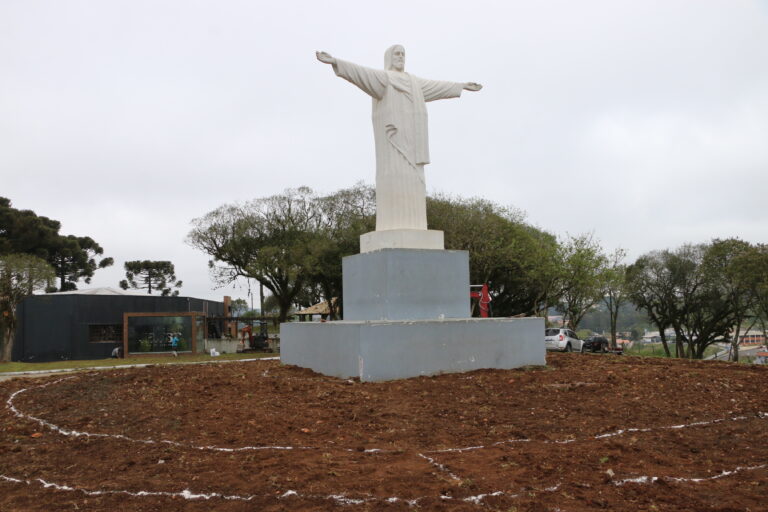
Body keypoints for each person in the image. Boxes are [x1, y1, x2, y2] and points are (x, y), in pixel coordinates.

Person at [316, 45, 481, 232]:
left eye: (403, 54)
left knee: (414, 179)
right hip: (392, 142)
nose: (401, 57)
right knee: (393, 176)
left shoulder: (414, 83)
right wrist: (336, 62)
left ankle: (416, 226)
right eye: (397, 54)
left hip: (413, 141)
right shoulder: (384, 79)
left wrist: (461, 86)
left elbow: (437, 87)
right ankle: (393, 225)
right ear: (389, 58)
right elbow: (361, 73)